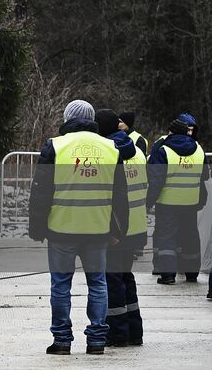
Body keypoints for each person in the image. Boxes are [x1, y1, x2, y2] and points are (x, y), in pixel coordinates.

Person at [29, 99, 128, 356]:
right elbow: (120, 195)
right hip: (97, 228)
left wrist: (37, 226)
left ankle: (62, 340)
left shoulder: (56, 146)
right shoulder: (111, 148)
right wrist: (120, 230)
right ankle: (96, 340)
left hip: (62, 228)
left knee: (61, 285)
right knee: (98, 283)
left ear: (67, 118)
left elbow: (40, 191)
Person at [96, 108, 146, 347]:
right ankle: (135, 331)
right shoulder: (136, 151)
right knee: (126, 279)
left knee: (112, 281)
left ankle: (117, 334)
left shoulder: (107, 154)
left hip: (116, 230)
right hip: (136, 227)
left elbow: (110, 196)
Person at [146, 112, 207, 284]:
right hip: (191, 203)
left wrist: (149, 201)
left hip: (168, 203)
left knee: (167, 238)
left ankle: (168, 275)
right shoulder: (199, 149)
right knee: (190, 237)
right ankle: (192, 274)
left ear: (171, 132)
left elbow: (156, 180)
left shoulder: (164, 150)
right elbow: (204, 176)